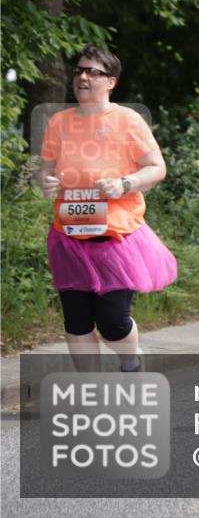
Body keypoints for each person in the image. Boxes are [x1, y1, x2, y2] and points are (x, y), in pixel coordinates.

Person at [38, 45, 177, 372]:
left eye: (92, 72)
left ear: (110, 81)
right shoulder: (59, 122)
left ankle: (131, 361)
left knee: (113, 321)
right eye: (78, 70)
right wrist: (45, 182)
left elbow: (157, 168)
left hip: (115, 237)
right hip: (69, 236)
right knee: (77, 321)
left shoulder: (128, 120)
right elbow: (45, 169)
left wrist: (125, 184)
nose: (83, 77)